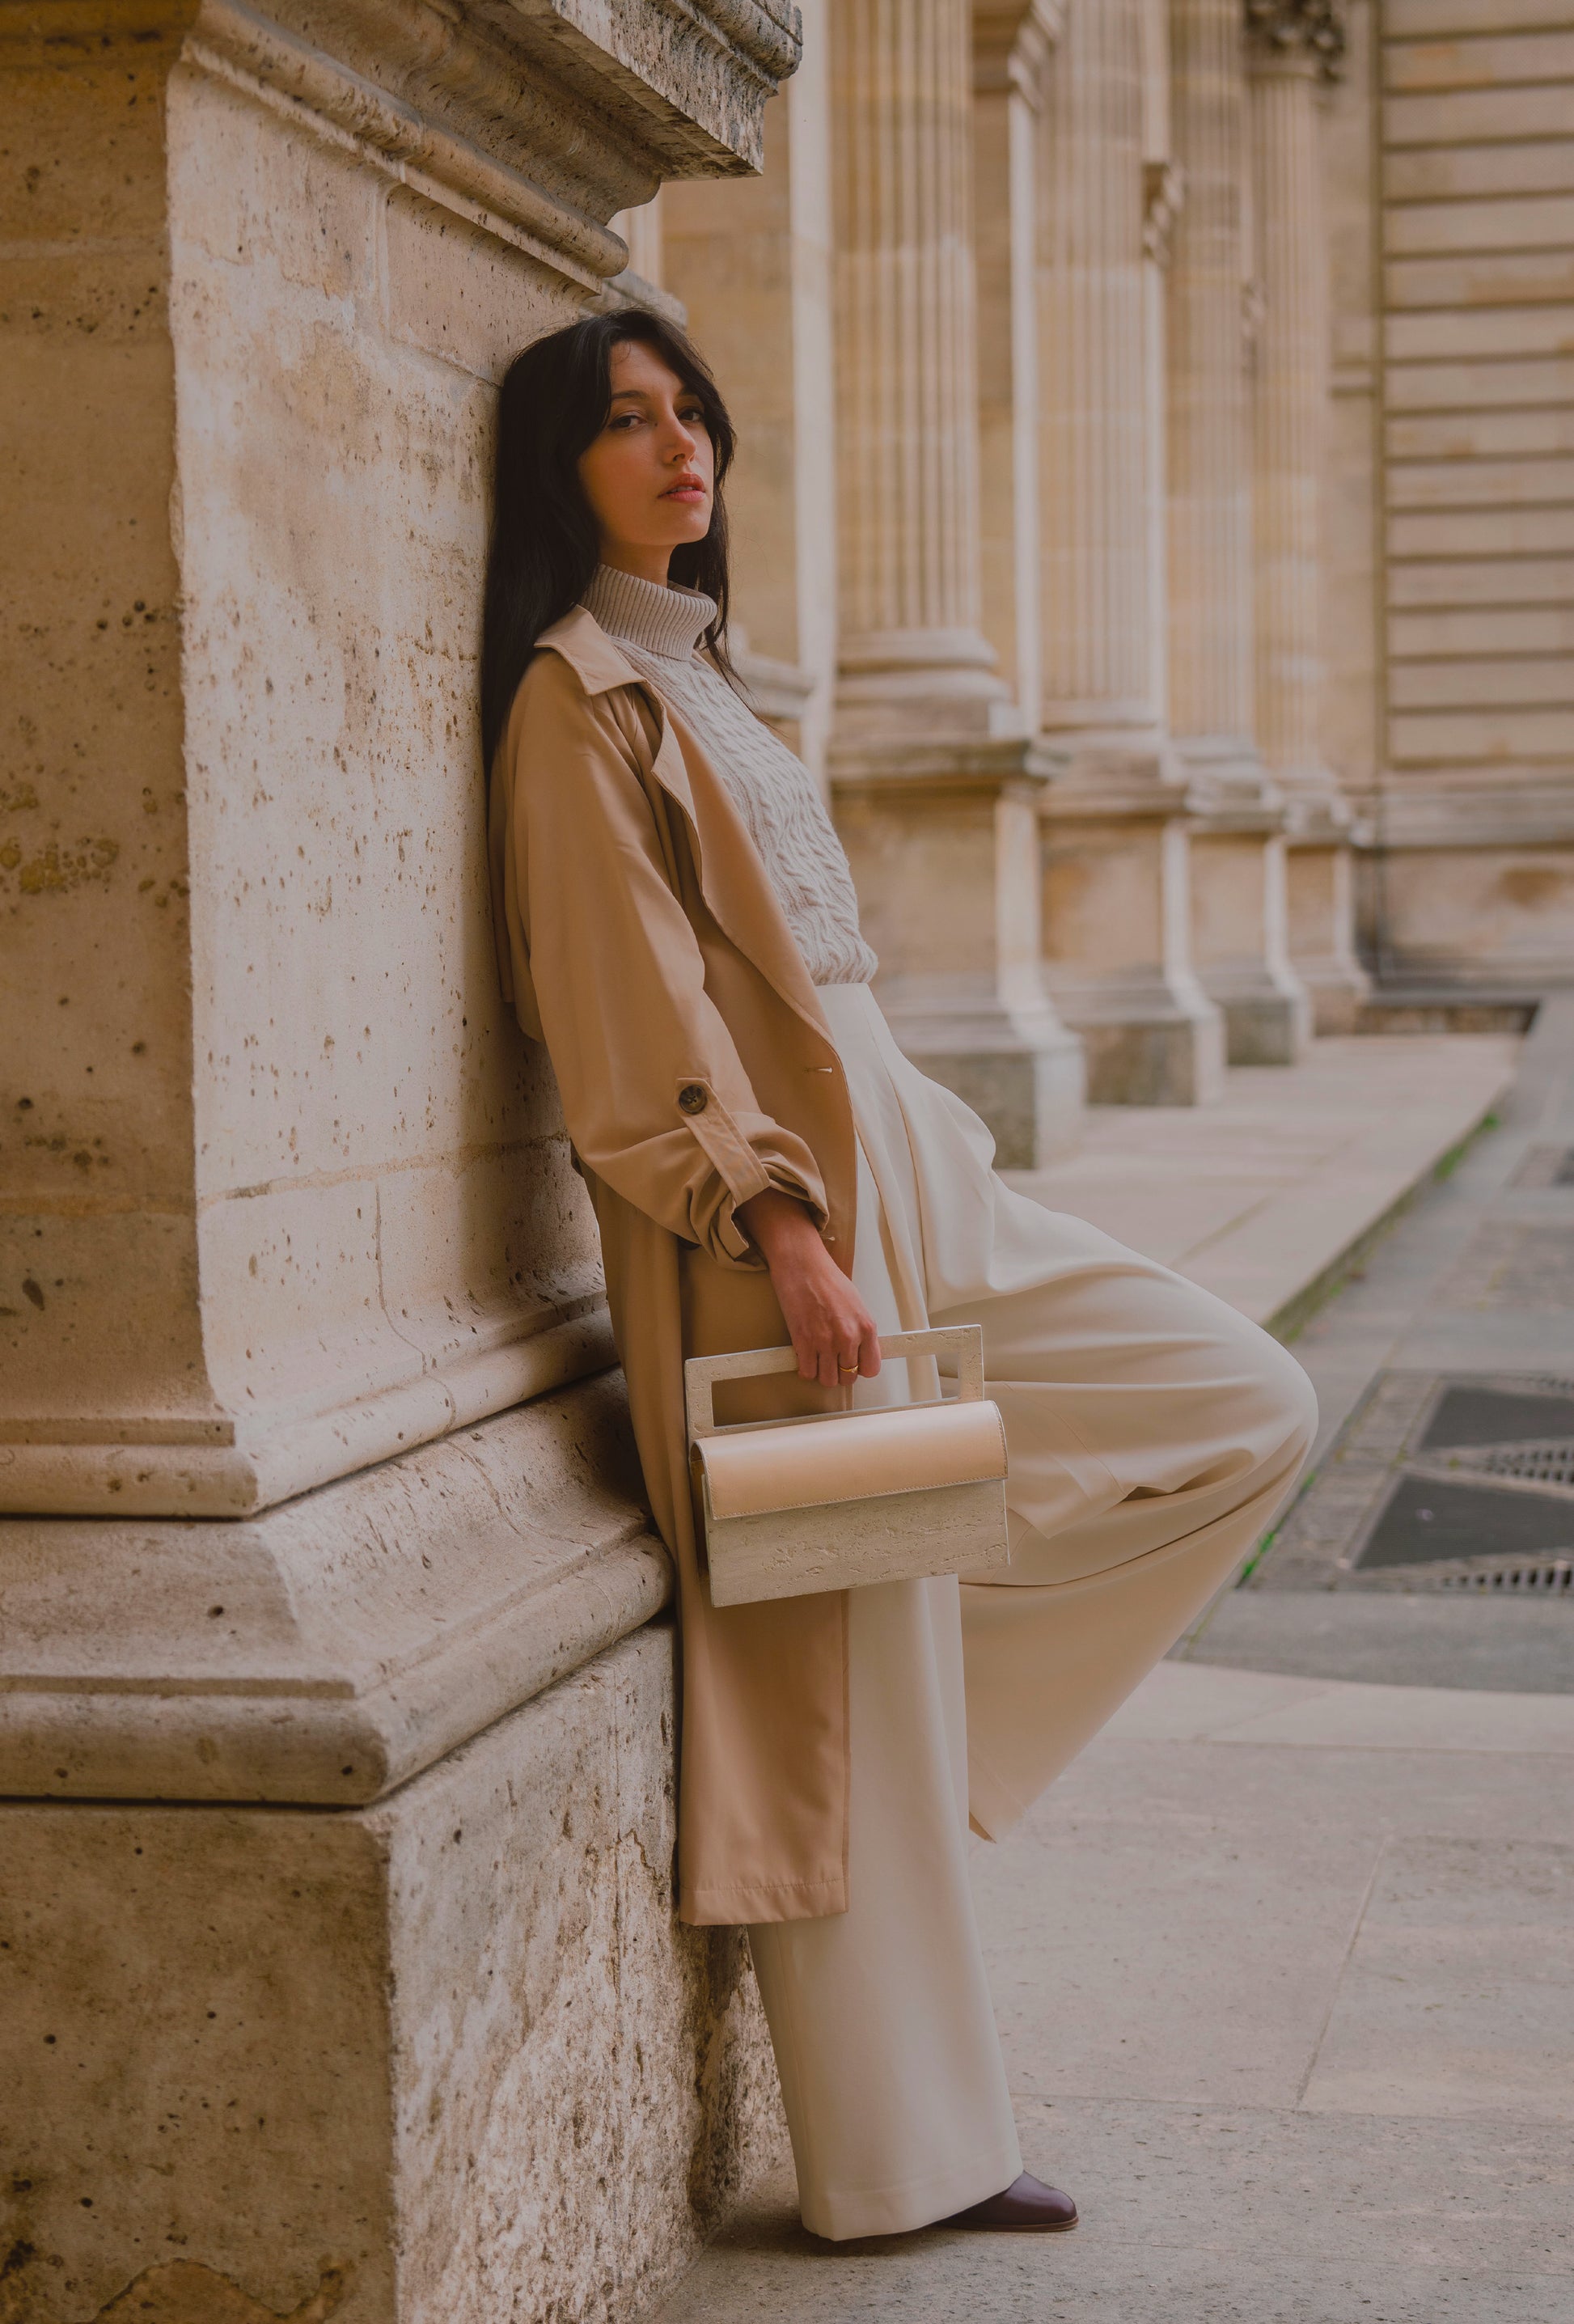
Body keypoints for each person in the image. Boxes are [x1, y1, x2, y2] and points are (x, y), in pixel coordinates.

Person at [484, 308, 1317, 2242]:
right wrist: (776, 1228)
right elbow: (630, 1017)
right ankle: (899, 2168)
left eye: (692, 415)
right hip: (799, 1227)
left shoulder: (711, 676)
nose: (678, 448)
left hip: (924, 1172)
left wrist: (906, 1147)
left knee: (1244, 1403)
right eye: (624, 422)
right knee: (844, 1663)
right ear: (560, 468)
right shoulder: (573, 699)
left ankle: (971, 1672)